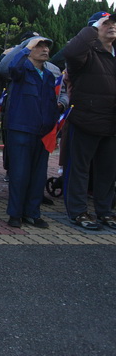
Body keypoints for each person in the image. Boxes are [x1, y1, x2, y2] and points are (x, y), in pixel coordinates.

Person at [0, 36, 64, 228]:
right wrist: (26, 48)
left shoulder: (49, 76)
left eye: (46, 47)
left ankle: (32, 213)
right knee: (19, 173)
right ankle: (15, 214)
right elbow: (10, 68)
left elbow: (51, 104)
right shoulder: (21, 70)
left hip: (42, 132)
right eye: (39, 46)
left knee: (38, 175)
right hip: (21, 129)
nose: (44, 50)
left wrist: (53, 127)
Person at [62, 12, 116, 230]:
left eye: (114, 23)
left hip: (112, 124)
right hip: (86, 119)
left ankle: (105, 211)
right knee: (79, 169)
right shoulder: (86, 53)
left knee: (107, 171)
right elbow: (71, 52)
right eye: (106, 23)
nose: (111, 26)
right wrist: (93, 29)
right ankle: (78, 212)